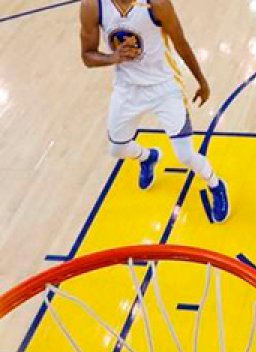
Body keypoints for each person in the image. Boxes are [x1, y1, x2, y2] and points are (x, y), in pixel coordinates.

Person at [79, 0, 230, 223]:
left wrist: (202, 81)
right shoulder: (92, 6)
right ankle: (148, 157)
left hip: (164, 87)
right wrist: (113, 58)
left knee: (185, 155)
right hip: (127, 89)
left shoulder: (157, 4)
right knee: (116, 149)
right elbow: (87, 56)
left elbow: (180, 42)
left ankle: (215, 184)